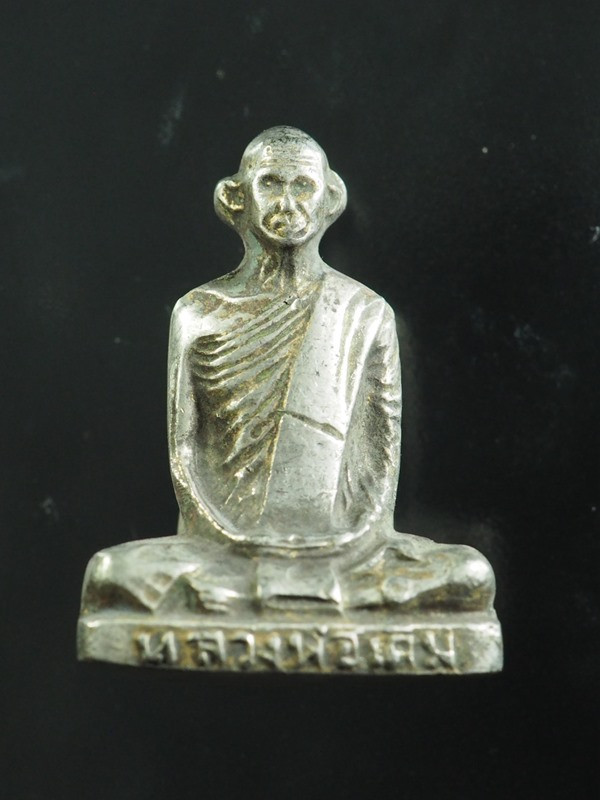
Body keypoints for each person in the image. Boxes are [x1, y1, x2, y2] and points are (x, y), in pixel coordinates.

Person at [81, 127, 495, 616]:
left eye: (303, 186)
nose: (287, 202)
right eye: (270, 183)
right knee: (109, 572)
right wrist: (238, 542)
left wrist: (345, 542)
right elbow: (185, 456)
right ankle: (322, 599)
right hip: (223, 547)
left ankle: (265, 598)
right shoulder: (199, 312)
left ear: (329, 199)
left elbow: (380, 465)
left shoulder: (363, 311)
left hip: (344, 548)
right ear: (237, 197)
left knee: (471, 572)